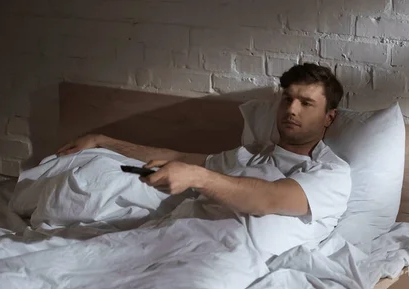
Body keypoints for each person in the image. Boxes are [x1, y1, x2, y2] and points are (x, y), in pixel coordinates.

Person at [56, 64, 351, 247]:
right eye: (287, 99)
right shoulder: (252, 154)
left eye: (306, 103)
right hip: (170, 238)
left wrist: (197, 177)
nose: (291, 109)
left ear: (329, 117)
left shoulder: (330, 173)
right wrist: (103, 141)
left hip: (220, 257)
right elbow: (179, 155)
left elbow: (268, 199)